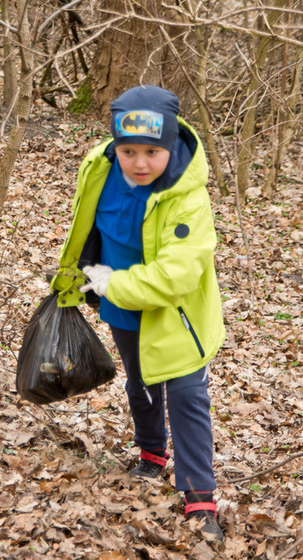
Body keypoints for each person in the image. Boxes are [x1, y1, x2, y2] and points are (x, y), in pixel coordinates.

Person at [49, 85, 226, 541]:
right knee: (140, 381)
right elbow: (84, 223)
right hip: (119, 304)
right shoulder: (99, 166)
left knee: (186, 397)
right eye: (129, 151)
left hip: (177, 317)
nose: (140, 163)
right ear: (115, 146)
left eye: (152, 152)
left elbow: (177, 275)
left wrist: (115, 283)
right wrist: (78, 275)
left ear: (170, 145)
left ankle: (200, 498)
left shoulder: (187, 197)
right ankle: (151, 454)